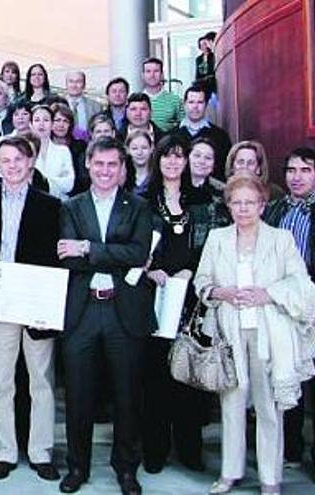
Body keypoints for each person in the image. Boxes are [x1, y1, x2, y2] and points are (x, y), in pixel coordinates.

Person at [193, 174, 315, 495]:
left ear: (262, 205)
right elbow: (201, 280)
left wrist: (269, 294)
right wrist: (221, 291)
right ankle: (230, 473)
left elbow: (301, 284)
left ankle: (269, 478)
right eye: (237, 202)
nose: (243, 208)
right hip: (229, 332)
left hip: (268, 334)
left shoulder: (281, 239)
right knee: (231, 404)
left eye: (250, 202)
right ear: (229, 205)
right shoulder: (218, 238)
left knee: (267, 407)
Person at [57, 137, 156, 495]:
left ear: (122, 169)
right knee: (79, 395)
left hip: (123, 310)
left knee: (127, 395)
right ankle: (77, 467)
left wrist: (88, 248)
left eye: (112, 165)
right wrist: (105, 253)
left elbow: (138, 252)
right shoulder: (71, 207)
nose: (104, 171)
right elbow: (67, 257)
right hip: (82, 312)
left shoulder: (139, 207)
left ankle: (126, 468)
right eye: (99, 164)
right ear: (88, 165)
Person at [0, 136, 62, 481]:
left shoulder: (50, 206)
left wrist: (48, 306)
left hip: (35, 302)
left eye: (18, 159)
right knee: (1, 380)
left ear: (30, 161)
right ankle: (4, 451)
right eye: (5, 160)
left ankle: (40, 451)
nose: (12, 166)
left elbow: (54, 259)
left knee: (41, 381)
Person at [141, 134, 226, 474]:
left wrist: (193, 269)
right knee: (156, 374)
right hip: (155, 296)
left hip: (192, 297)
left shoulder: (204, 199)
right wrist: (150, 271)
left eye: (180, 157)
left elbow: (215, 246)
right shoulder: (142, 199)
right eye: (167, 156)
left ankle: (190, 448)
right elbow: (133, 245)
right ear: (157, 160)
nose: (174, 163)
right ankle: (155, 450)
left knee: (189, 373)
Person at [263, 147, 315, 472]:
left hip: (311, 300)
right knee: (286, 374)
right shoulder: (276, 208)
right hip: (281, 303)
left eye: (305, 170)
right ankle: (291, 448)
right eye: (292, 170)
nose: (296, 177)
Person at [171, 85, 231, 181]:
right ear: (184, 104)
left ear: (206, 105)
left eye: (200, 102)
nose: (195, 106)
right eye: (191, 102)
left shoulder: (220, 136)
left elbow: (226, 168)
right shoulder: (171, 136)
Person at [30, 105, 75, 199]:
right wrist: (57, 180)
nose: (41, 124)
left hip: (60, 203)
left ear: (52, 125)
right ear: (31, 124)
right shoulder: (24, 151)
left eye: (46, 120)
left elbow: (69, 184)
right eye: (37, 120)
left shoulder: (63, 151)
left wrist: (43, 181)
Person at [50, 103, 88, 195]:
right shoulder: (43, 145)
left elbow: (83, 178)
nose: (61, 125)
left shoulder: (79, 146)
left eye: (65, 121)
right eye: (57, 120)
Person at [142, 58, 184, 132]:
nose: (152, 75)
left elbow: (183, 126)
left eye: (156, 71)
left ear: (162, 74)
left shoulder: (175, 100)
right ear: (143, 75)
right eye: (148, 71)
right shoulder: (135, 101)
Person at [64, 71, 103, 141]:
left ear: (84, 85)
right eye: (71, 81)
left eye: (78, 82)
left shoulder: (96, 107)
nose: (74, 85)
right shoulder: (59, 104)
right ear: (66, 85)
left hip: (88, 147)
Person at [189, 136, 226, 202]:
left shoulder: (223, 191)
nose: (202, 161)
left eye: (208, 158)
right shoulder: (174, 186)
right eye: (197, 155)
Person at [125, 130, 154, 196]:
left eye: (144, 148)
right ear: (127, 150)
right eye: (134, 148)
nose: (140, 152)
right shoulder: (122, 177)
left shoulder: (158, 175)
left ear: (151, 148)